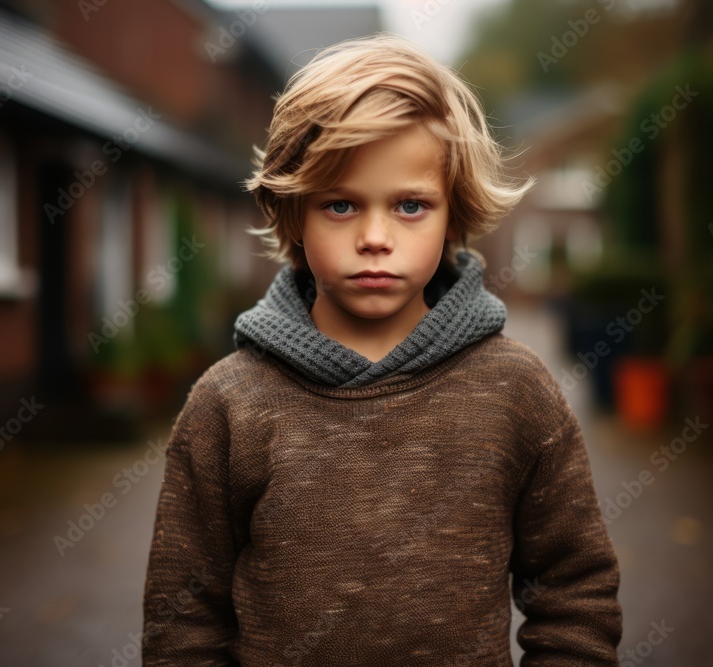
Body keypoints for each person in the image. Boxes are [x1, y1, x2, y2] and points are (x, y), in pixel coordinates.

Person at [143, 33, 622, 666]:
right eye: (340, 204)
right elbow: (184, 623)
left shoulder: (518, 390)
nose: (375, 237)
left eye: (410, 206)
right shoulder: (228, 404)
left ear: (454, 215)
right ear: (293, 215)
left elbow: (576, 594)